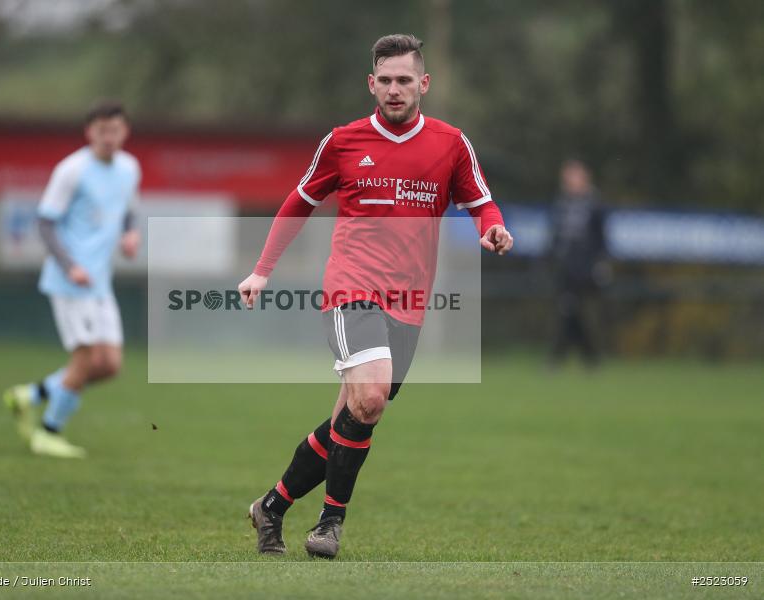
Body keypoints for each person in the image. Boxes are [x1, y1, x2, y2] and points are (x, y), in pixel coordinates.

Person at [238, 34, 513, 558]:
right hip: (351, 288)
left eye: (404, 80)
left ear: (423, 84)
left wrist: (493, 228)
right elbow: (299, 202)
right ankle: (329, 525)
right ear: (371, 83)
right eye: (384, 80)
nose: (394, 89)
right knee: (369, 400)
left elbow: (482, 202)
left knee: (353, 415)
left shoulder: (451, 143)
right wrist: (261, 270)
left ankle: (271, 507)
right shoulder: (342, 141)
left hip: (409, 303)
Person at [3, 100, 142, 458]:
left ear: (124, 131)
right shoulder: (72, 170)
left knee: (109, 365)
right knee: (84, 358)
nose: (108, 137)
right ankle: (49, 432)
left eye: (114, 130)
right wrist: (70, 266)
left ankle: (30, 396)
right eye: (101, 130)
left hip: (99, 281)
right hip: (70, 281)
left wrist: (130, 235)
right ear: (89, 132)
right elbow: (46, 223)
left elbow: (127, 212)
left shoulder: (129, 168)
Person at [548, 159, 608, 367]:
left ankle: (557, 359)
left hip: (585, 269)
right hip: (565, 268)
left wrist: (599, 265)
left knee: (571, 311)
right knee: (570, 311)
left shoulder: (595, 204)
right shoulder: (561, 204)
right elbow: (554, 237)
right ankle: (590, 359)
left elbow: (602, 240)